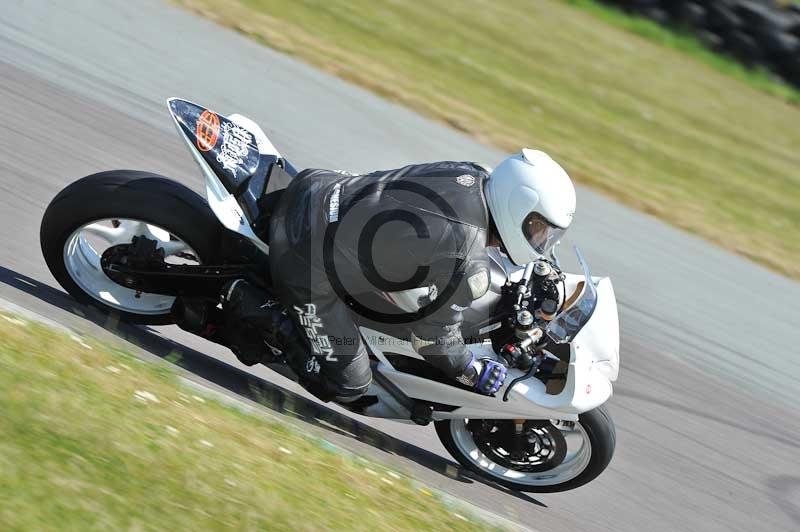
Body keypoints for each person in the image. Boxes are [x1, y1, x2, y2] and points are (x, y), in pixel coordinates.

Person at [222, 149, 576, 404]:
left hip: (322, 188)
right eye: (539, 229)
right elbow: (431, 340)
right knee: (350, 383)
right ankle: (250, 302)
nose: (541, 240)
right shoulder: (464, 258)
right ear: (517, 207)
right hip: (304, 256)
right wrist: (470, 369)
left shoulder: (475, 175)